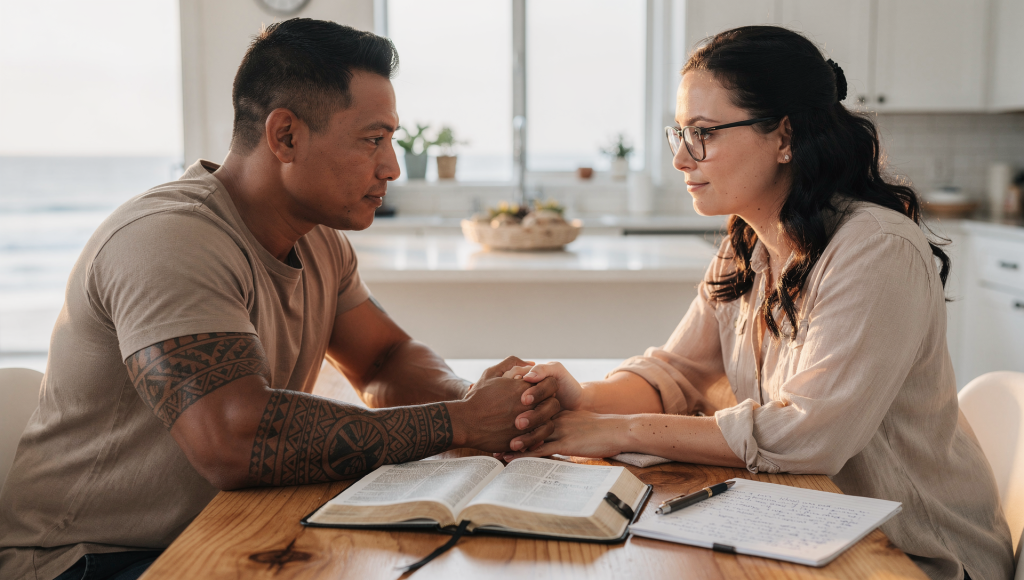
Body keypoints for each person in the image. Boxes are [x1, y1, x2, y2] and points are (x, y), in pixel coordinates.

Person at [0, 19, 559, 580]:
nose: (391, 166)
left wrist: (475, 398)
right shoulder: (167, 239)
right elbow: (233, 440)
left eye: (391, 139)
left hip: (221, 527)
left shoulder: (320, 239)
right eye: (373, 139)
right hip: (87, 560)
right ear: (285, 136)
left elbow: (383, 360)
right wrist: (460, 422)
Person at [499, 26, 1014, 580]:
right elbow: (680, 370)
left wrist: (615, 429)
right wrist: (587, 396)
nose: (680, 159)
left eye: (704, 133)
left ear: (785, 136)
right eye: (679, 132)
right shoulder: (746, 240)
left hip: (917, 554)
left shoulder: (875, 249)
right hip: (810, 528)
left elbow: (808, 435)